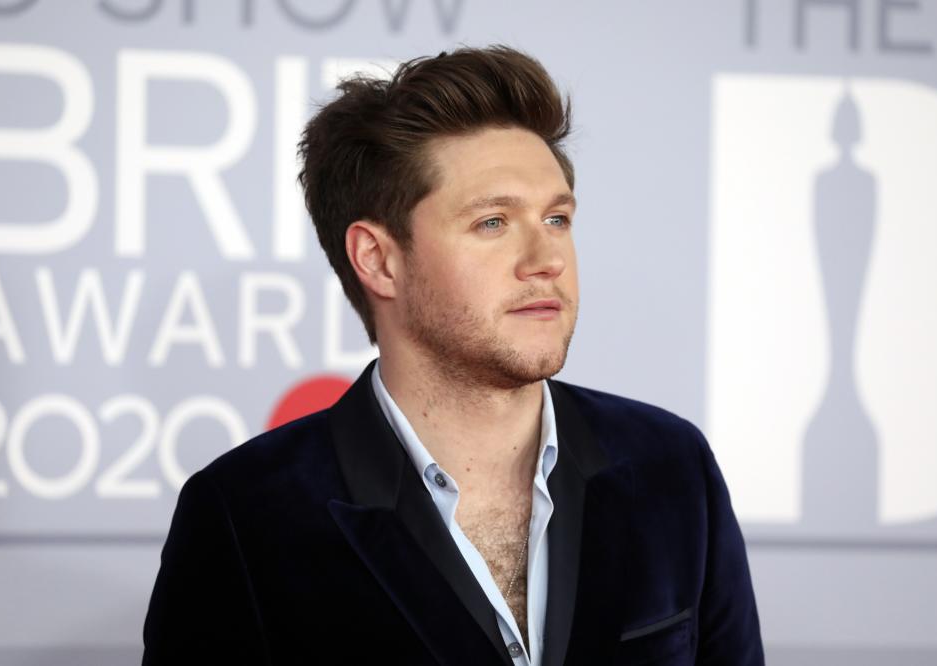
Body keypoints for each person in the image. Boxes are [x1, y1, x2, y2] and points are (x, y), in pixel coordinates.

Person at [142, 45, 764, 665]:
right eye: (493, 222)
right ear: (379, 260)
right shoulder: (246, 517)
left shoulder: (672, 468)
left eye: (556, 218)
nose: (546, 259)